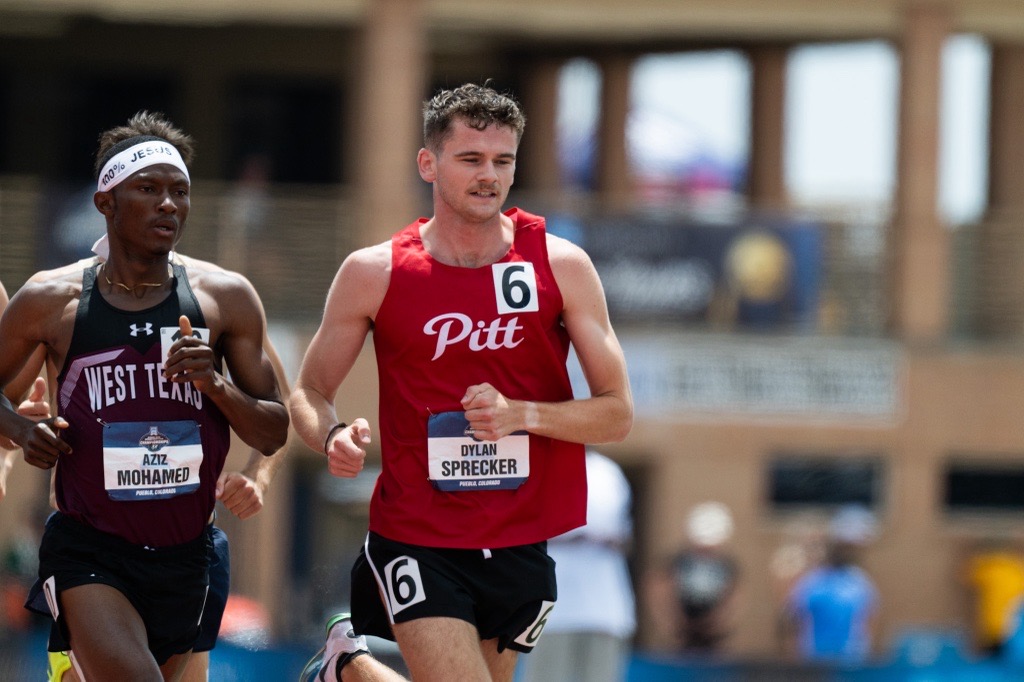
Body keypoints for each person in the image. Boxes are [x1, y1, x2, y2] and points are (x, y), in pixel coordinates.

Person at [289, 82, 633, 682]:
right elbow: (309, 390)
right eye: (470, 159)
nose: (488, 176)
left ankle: (348, 670)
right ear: (429, 163)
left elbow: (616, 413)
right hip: (416, 533)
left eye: (503, 161)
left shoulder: (561, 265)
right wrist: (333, 435)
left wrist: (522, 414)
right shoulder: (375, 271)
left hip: (522, 535)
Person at [0, 111, 289, 681]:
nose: (168, 205)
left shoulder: (224, 298)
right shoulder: (50, 299)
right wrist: (20, 430)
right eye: (149, 189)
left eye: (179, 192)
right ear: (106, 201)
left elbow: (274, 428)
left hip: (190, 556)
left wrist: (216, 385)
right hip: (91, 554)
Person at [515, 450, 636, 682]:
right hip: (551, 609)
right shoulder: (540, 467)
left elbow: (626, 537)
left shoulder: (610, 473)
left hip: (604, 610)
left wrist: (604, 540)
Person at [781, 505, 880, 664]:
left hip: (850, 665)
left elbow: (869, 623)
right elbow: (792, 622)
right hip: (813, 664)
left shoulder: (861, 582)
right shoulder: (811, 581)